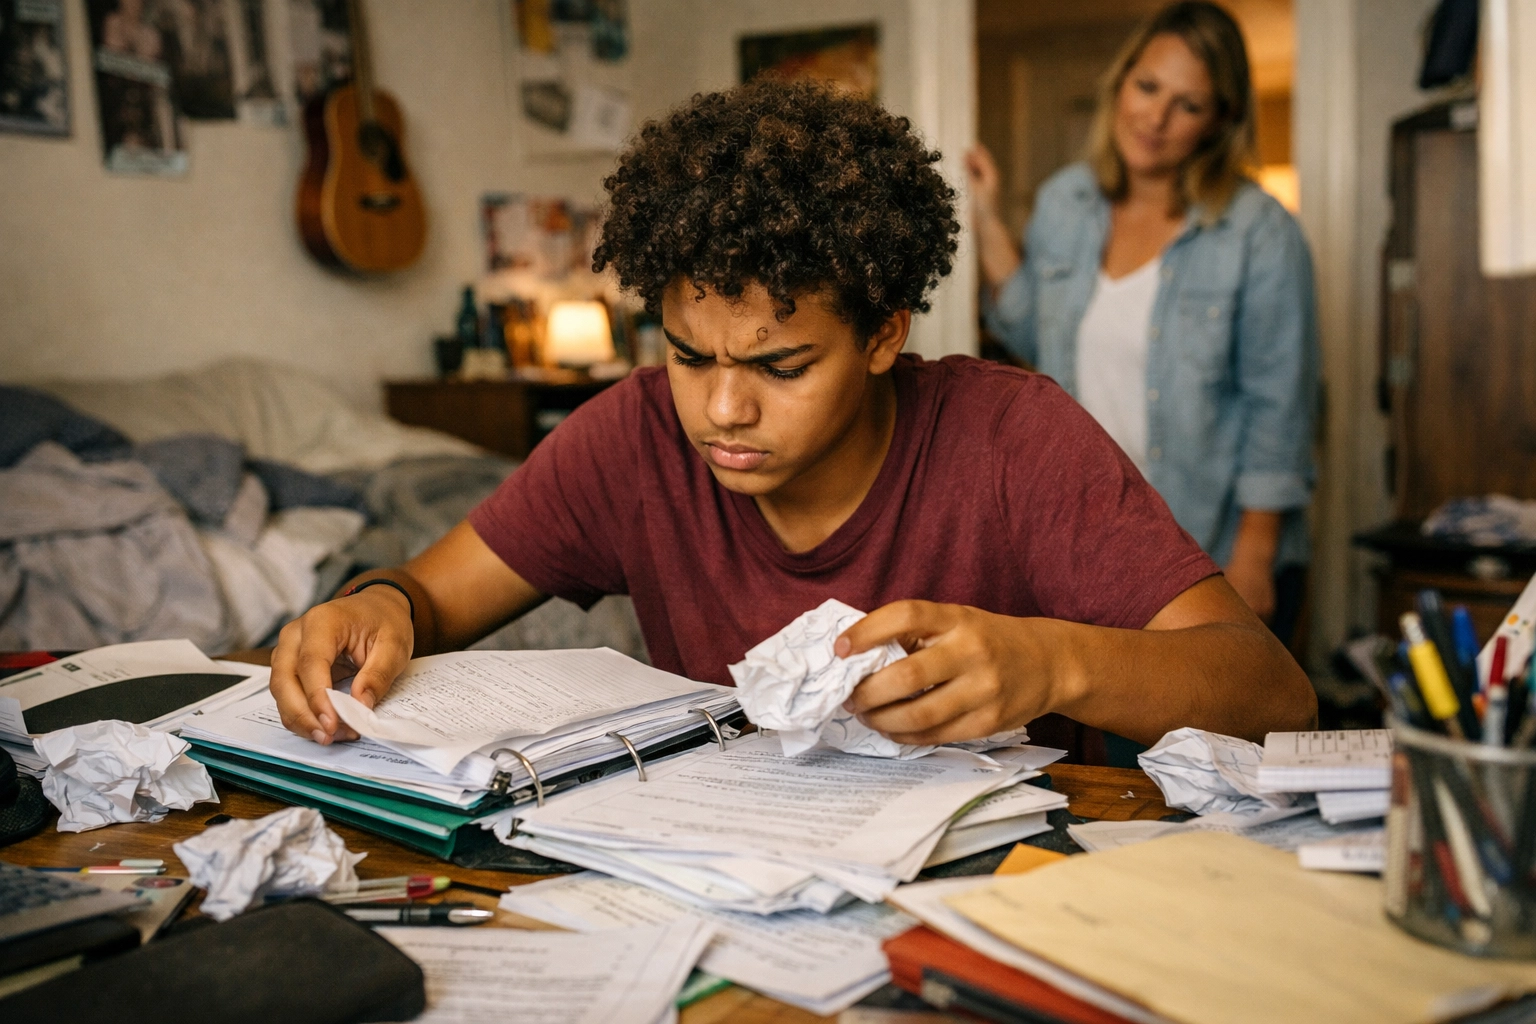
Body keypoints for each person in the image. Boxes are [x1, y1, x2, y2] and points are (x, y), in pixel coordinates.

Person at [270, 79, 1315, 762]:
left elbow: (1274, 691)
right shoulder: (633, 439)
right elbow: (425, 597)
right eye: (688, 354)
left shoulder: (1012, 438)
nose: (722, 408)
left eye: (780, 364)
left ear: (883, 334)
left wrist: (1052, 663)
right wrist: (378, 605)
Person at [967, 1, 1318, 647]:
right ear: (1121, 82)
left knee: (1206, 742)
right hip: (1086, 538)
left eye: (1187, 104)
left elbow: (1280, 407)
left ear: (1221, 120)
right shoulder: (1063, 202)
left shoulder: (1259, 232)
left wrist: (1255, 558)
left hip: (1208, 545)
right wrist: (987, 217)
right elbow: (1033, 337)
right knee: (1104, 737)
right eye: (1147, 86)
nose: (1154, 119)